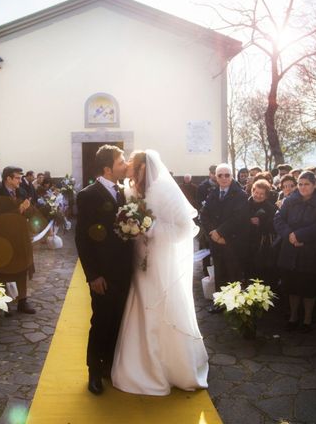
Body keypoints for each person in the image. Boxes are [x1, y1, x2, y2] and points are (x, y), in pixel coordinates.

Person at [111, 150, 208, 395]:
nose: (128, 168)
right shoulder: (130, 190)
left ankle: (169, 366)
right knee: (140, 304)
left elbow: (185, 228)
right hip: (138, 260)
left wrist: (150, 227)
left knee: (159, 306)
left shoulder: (164, 189)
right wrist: (132, 227)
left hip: (160, 261)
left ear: (143, 168)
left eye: (131, 164)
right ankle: (138, 364)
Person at [75, 145, 133, 395]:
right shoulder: (88, 195)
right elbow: (82, 239)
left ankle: (109, 364)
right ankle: (94, 371)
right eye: (121, 161)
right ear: (108, 168)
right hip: (103, 274)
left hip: (124, 271)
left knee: (118, 320)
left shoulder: (124, 192)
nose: (125, 165)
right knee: (101, 321)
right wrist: (93, 275)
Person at [274, 171, 316, 332]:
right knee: (291, 285)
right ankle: (293, 316)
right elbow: (278, 218)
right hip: (290, 249)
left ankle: (307, 319)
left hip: (310, 251)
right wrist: (289, 235)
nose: (303, 187)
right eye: (300, 184)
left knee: (308, 287)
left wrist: (300, 236)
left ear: (314, 185)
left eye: (306, 184)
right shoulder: (290, 200)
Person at [200, 164, 249, 302]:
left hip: (232, 240)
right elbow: (204, 215)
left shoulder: (240, 194)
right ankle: (220, 302)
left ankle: (234, 304)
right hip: (216, 240)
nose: (224, 178)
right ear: (216, 177)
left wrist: (220, 232)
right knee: (219, 272)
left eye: (227, 175)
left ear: (232, 176)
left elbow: (238, 218)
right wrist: (213, 233)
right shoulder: (214, 193)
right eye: (220, 175)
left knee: (234, 273)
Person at [0, 166, 36, 314]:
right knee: (4, 270)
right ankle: (4, 304)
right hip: (4, 238)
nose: (20, 180)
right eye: (17, 177)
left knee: (22, 268)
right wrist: (20, 210)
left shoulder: (22, 192)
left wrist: (28, 209)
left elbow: (27, 213)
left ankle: (23, 301)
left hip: (21, 237)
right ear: (8, 179)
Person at [246, 179, 277, 281]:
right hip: (246, 244)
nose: (258, 195)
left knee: (261, 274)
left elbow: (274, 226)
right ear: (252, 191)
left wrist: (261, 223)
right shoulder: (244, 204)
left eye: (261, 194)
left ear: (266, 195)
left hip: (262, 246)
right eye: (256, 192)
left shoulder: (271, 208)